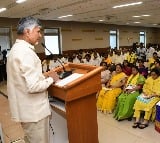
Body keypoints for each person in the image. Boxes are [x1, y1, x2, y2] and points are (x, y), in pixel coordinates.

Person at [7, 16, 59, 143]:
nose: (40, 35)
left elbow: (23, 80)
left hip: (26, 111)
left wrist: (43, 76)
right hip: (35, 113)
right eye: (38, 31)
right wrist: (51, 79)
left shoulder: (16, 49)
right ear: (27, 31)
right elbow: (33, 87)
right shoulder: (25, 52)